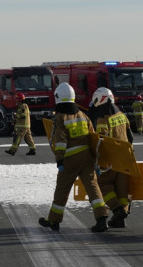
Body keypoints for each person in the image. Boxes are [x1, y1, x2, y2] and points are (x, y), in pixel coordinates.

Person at [38, 83, 109, 232]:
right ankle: (102, 218)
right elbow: (93, 136)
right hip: (86, 158)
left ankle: (54, 220)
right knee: (92, 186)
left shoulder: (60, 117)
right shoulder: (83, 115)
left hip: (70, 159)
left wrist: (59, 159)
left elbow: (61, 141)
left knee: (62, 189)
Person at [88, 87, 135, 228]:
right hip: (125, 158)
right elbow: (131, 137)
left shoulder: (103, 118)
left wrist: (97, 160)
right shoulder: (122, 115)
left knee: (102, 185)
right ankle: (120, 218)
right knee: (122, 189)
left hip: (110, 160)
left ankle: (117, 209)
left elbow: (101, 141)